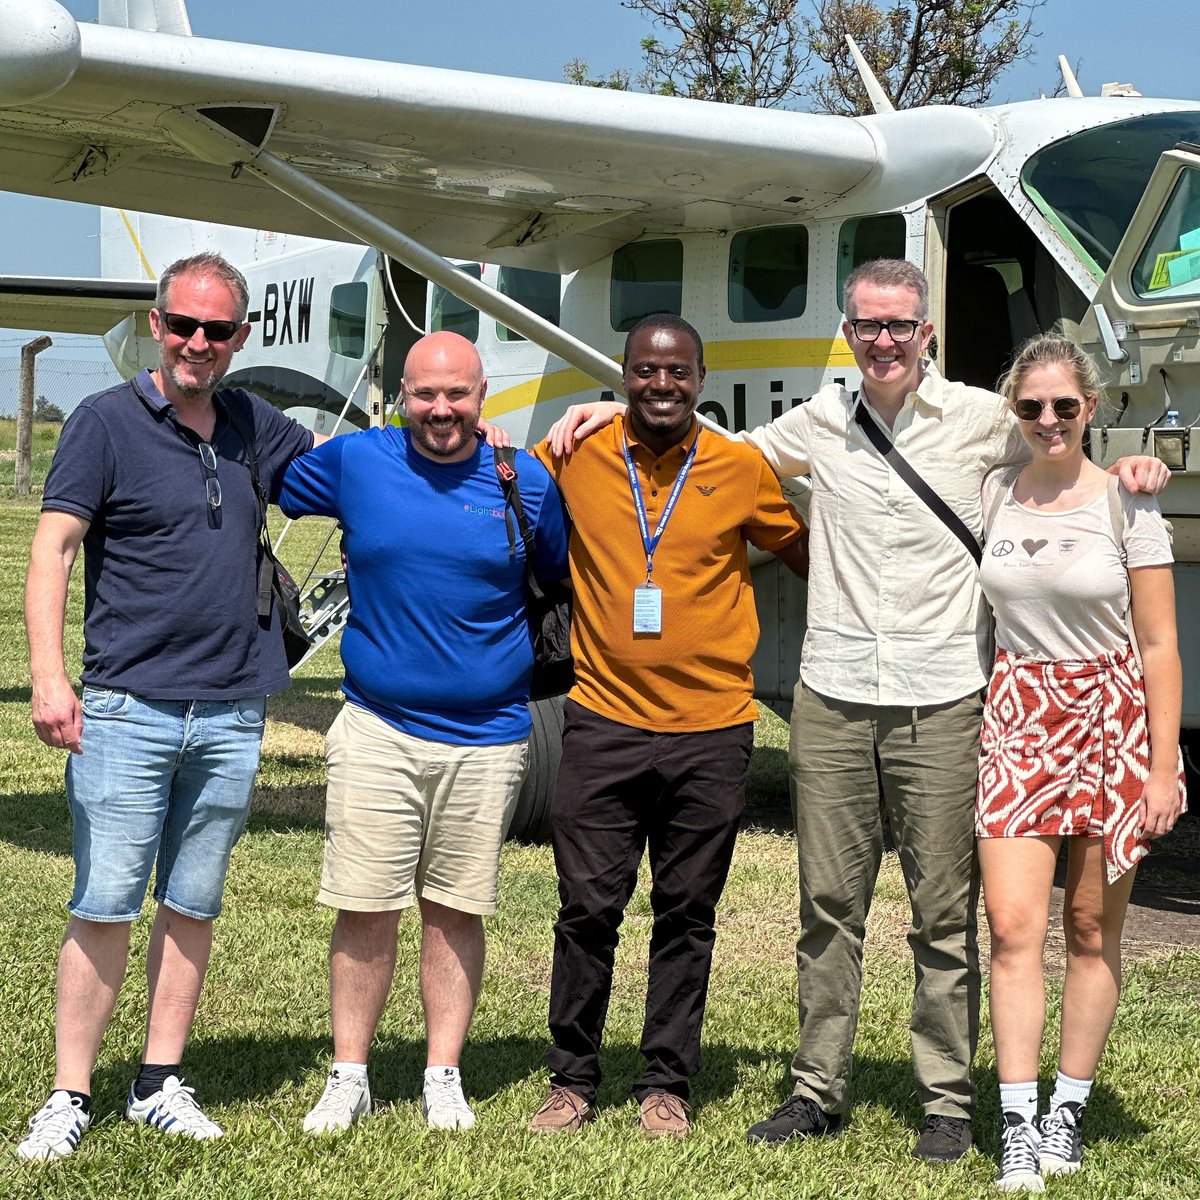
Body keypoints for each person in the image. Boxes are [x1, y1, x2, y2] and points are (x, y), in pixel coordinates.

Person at [547, 260, 1168, 1160]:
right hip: (833, 696)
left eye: (899, 324)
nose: (884, 340)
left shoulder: (984, 420)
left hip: (944, 700)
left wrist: (1129, 467)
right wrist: (611, 413)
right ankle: (816, 1089)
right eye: (868, 325)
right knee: (828, 909)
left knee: (943, 917)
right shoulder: (818, 422)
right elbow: (714, 442)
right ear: (847, 334)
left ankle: (946, 1103)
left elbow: (1058, 439)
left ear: (927, 334)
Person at [19, 252, 320, 1161]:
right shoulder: (104, 422)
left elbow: (348, 469)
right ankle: (69, 1093)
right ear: (156, 325)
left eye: (216, 330)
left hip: (231, 710)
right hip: (126, 708)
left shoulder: (253, 424)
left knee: (192, 903)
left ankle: (158, 1082)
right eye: (183, 325)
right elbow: (52, 550)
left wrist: (476, 437)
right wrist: (48, 676)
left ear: (240, 337)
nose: (198, 342)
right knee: (104, 904)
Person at [277, 331, 569, 1135]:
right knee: (365, 907)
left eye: (458, 394)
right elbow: (267, 471)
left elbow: (555, 569)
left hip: (491, 735)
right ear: (401, 396)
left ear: (483, 397)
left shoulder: (524, 479)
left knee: (456, 909)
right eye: (426, 394)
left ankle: (444, 1074)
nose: (442, 410)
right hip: (379, 727)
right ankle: (349, 1075)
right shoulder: (357, 461)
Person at [525, 314, 809, 1140]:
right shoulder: (575, 454)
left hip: (713, 729)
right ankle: (572, 1079)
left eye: (678, 372)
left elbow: (814, 557)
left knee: (687, 913)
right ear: (623, 377)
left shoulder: (739, 467)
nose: (662, 384)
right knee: (587, 909)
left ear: (700, 381)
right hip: (602, 722)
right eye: (646, 371)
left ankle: (665, 1084)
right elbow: (496, 485)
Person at [975, 335, 1185, 1192]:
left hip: (1111, 723)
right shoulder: (994, 491)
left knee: (1093, 929)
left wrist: (1164, 767)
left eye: (1065, 405)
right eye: (1031, 407)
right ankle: (1018, 1123)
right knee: (1012, 928)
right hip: (1018, 718)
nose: (1049, 420)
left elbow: (1160, 643)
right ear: (1015, 412)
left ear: (1091, 407)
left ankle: (1068, 1107)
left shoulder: (1127, 502)